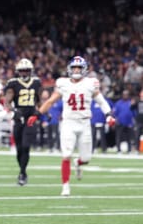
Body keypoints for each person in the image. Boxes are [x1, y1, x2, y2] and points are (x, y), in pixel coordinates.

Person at [27, 56, 114, 196]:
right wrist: (37, 114)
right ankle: (65, 186)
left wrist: (109, 115)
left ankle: (78, 163)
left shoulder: (91, 83)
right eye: (74, 67)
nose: (76, 70)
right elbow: (50, 101)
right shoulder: (63, 83)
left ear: (84, 69)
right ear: (69, 69)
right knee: (66, 154)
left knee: (86, 159)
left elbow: (102, 101)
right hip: (68, 123)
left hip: (85, 123)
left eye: (79, 67)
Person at [4, 58, 42, 186]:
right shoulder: (13, 83)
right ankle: (22, 171)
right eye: (22, 71)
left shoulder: (36, 82)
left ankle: (22, 173)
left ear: (30, 71)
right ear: (18, 71)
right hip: (18, 118)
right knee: (19, 149)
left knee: (26, 146)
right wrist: (14, 110)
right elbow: (7, 101)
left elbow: (39, 100)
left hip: (30, 118)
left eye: (26, 71)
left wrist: (39, 112)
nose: (24, 73)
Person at [113, 89, 136, 154]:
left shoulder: (130, 103)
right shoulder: (118, 103)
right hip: (120, 122)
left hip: (129, 122)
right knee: (118, 136)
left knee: (129, 137)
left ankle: (129, 150)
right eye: (124, 94)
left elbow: (134, 113)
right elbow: (115, 113)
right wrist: (116, 120)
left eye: (127, 94)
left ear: (128, 95)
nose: (125, 96)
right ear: (122, 95)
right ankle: (119, 150)